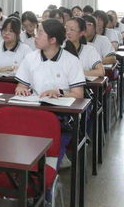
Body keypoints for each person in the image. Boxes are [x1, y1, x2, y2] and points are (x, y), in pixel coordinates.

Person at [14, 19, 85, 169]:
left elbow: (78, 94)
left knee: (48, 153)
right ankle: (21, 170)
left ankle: (47, 173)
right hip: (34, 110)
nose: (35, 36)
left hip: (60, 117)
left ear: (53, 40)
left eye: (40, 33)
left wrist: (59, 92)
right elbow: (21, 84)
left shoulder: (71, 61)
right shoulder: (31, 58)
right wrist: (20, 89)